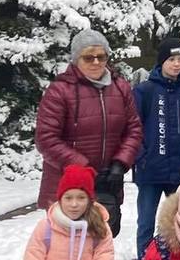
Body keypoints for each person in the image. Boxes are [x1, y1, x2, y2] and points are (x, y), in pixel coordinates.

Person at [34, 28, 143, 237]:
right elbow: (46, 139)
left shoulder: (120, 87)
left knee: (102, 242)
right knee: (66, 245)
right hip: (68, 184)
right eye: (88, 57)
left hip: (108, 181)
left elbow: (134, 129)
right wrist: (83, 167)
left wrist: (120, 163)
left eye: (101, 56)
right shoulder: (60, 90)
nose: (96, 62)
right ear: (76, 59)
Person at [132, 35, 180, 258]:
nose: (176, 64)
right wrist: (141, 156)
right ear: (162, 61)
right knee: (146, 222)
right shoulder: (145, 91)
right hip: (150, 169)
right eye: (171, 59)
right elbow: (132, 127)